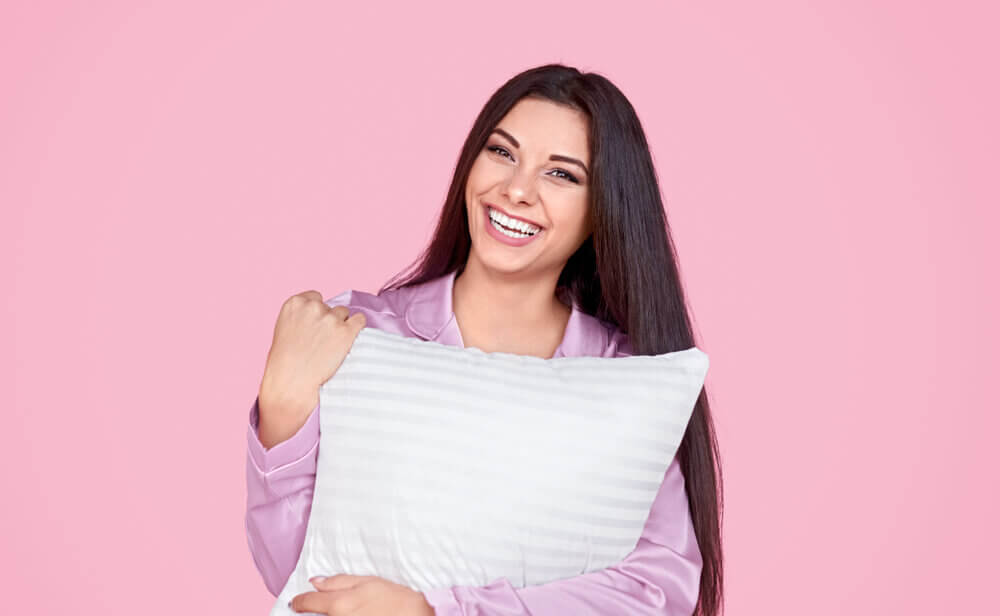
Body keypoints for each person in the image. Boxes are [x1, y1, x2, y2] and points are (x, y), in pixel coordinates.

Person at [246, 63, 723, 616]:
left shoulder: (622, 377)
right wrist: (279, 408)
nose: (516, 190)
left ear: (602, 212)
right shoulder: (360, 333)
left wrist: (437, 610)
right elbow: (292, 572)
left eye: (561, 175)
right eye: (501, 152)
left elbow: (655, 591)